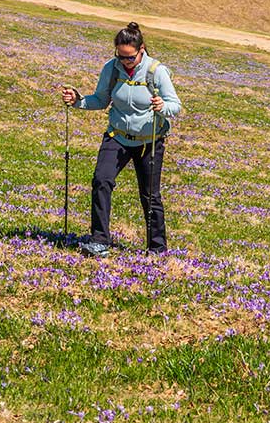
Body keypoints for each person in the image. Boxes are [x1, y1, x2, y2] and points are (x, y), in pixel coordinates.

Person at [61, 22, 183, 257]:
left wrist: (163, 106)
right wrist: (78, 100)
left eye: (130, 58)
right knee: (101, 181)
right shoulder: (112, 69)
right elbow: (100, 99)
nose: (125, 62)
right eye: (121, 56)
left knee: (150, 195)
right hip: (117, 137)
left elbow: (175, 105)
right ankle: (99, 241)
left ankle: (157, 248)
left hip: (149, 141)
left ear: (141, 50)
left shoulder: (156, 71)